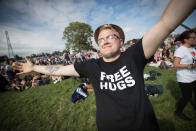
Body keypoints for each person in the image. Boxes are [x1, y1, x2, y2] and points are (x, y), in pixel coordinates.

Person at [15, 0, 195, 130]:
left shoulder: (134, 56)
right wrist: (33, 68)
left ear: (121, 40)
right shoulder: (91, 66)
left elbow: (166, 23)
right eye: (101, 39)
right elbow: (60, 69)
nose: (105, 41)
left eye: (110, 36)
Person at [173, 30, 196, 121]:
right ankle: (178, 113)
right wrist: (191, 65)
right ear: (186, 40)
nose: (195, 39)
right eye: (193, 38)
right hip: (185, 78)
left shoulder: (193, 49)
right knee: (187, 97)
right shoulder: (180, 50)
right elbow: (175, 65)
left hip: (194, 76)